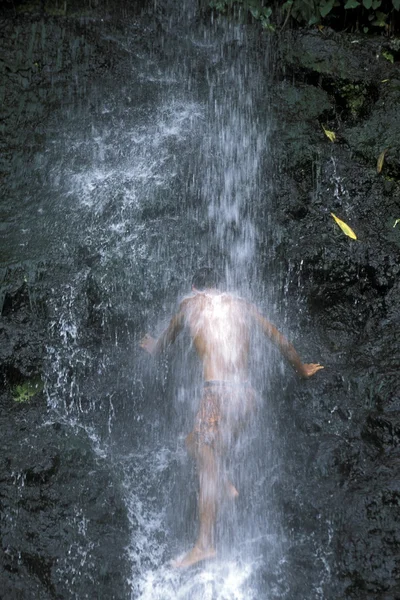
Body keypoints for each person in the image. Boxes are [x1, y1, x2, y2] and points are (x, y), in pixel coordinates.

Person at [140, 267, 323, 568]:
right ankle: (226, 484)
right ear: (221, 288)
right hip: (246, 397)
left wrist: (151, 346)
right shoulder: (241, 305)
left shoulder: (190, 305)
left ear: (195, 288)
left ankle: (204, 545)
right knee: (195, 444)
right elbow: (278, 339)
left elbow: (164, 344)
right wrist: (302, 369)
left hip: (217, 396)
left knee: (206, 466)